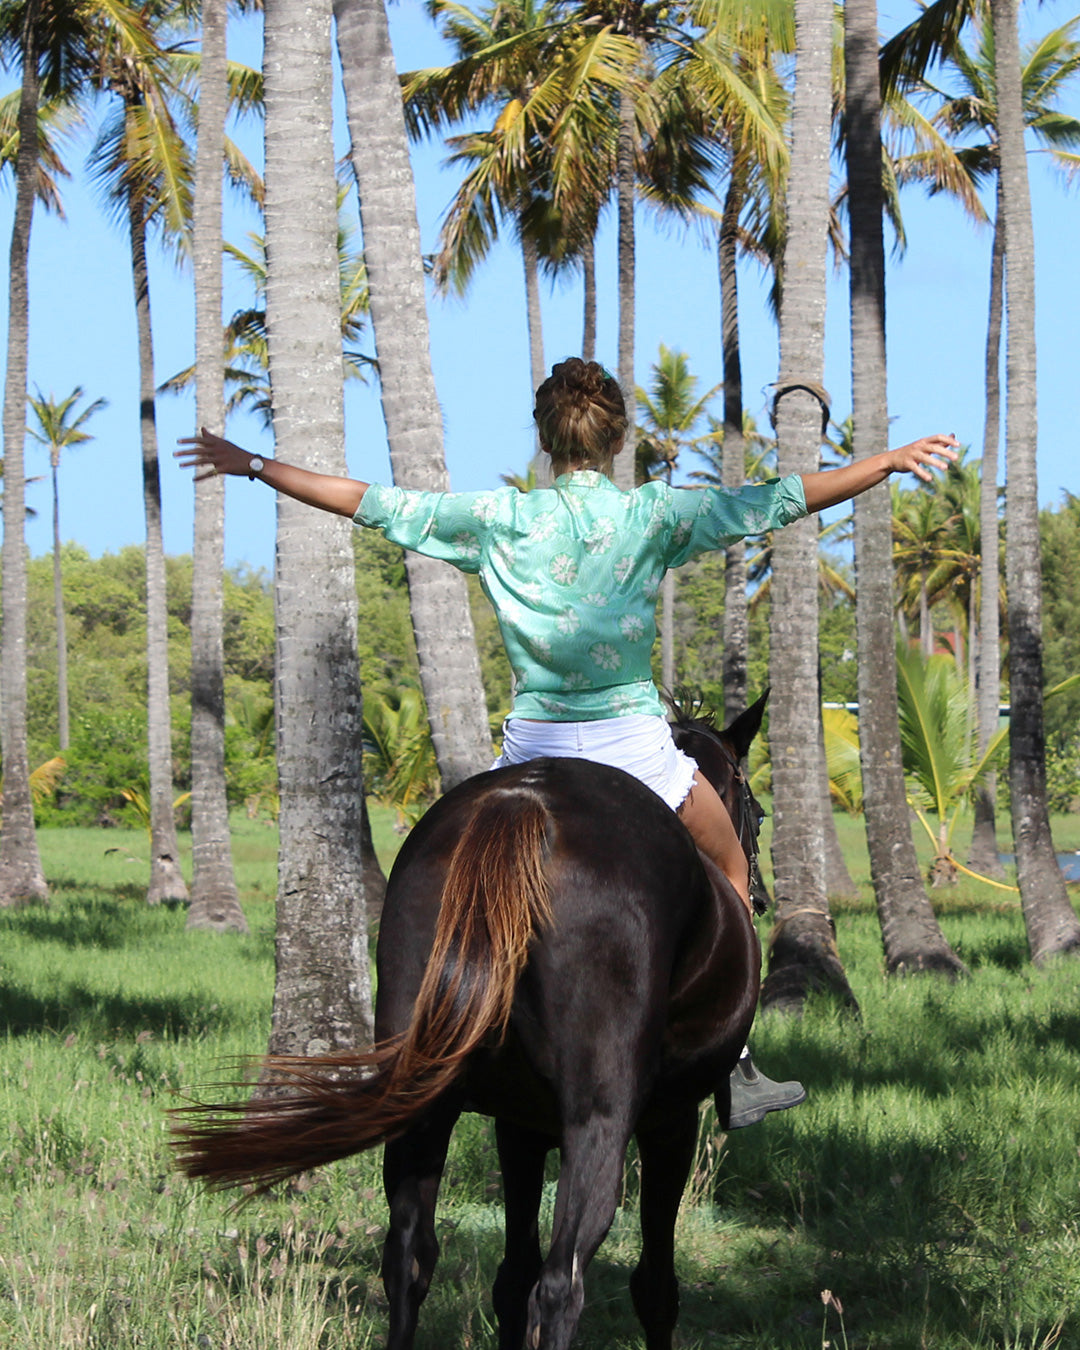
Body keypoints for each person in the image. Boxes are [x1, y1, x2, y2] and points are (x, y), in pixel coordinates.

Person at [177, 357, 959, 1127]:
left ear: (546, 443)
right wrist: (885, 462)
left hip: (531, 750)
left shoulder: (501, 519)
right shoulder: (653, 515)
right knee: (729, 866)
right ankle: (738, 1064)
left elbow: (366, 502)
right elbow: (780, 501)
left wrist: (250, 464)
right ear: (618, 442)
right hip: (635, 750)